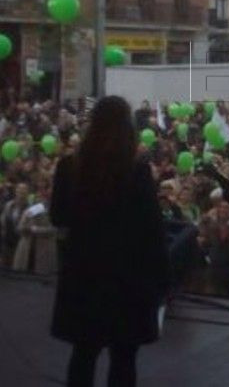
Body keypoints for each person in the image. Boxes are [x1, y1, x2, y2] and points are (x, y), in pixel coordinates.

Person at [50, 96, 169, 387]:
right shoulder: (136, 171)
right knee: (124, 358)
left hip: (84, 273)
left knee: (83, 354)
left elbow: (57, 217)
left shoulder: (69, 166)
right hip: (126, 276)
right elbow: (152, 228)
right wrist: (162, 278)